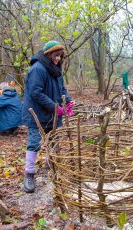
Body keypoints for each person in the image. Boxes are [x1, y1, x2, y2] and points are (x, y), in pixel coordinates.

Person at [22, 40, 75, 193]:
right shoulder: (37, 69)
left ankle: (50, 163)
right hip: (37, 113)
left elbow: (62, 89)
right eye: (55, 55)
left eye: (60, 56)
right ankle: (29, 173)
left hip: (53, 113)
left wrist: (68, 101)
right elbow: (35, 92)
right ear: (48, 54)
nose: (58, 59)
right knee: (34, 143)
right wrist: (54, 107)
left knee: (54, 140)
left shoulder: (56, 69)